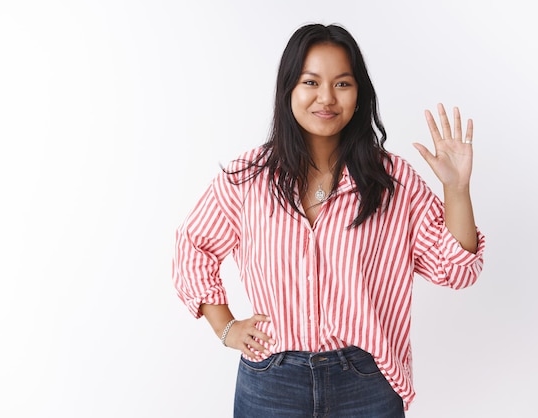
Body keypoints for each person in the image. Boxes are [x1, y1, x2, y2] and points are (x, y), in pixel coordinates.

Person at [173, 23, 485, 417]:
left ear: (359, 94)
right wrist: (226, 327)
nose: (326, 98)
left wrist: (456, 189)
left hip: (366, 381)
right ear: (289, 89)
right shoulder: (248, 177)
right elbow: (193, 245)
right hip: (272, 380)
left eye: (342, 84)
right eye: (310, 82)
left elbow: (457, 270)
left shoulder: (392, 180)